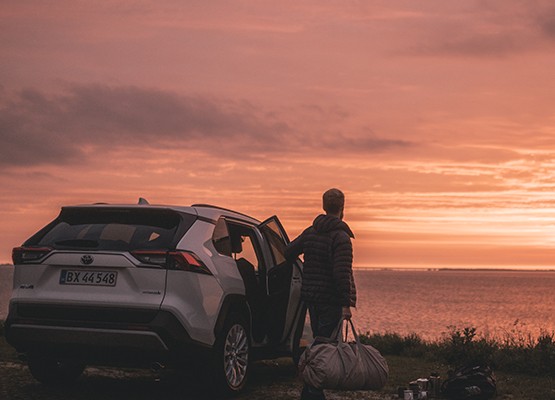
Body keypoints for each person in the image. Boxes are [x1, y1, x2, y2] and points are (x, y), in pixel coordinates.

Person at [285, 188, 356, 400]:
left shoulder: (311, 232)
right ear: (342, 208)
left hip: (312, 298)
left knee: (320, 341)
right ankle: (312, 390)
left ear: (324, 206)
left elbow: (289, 252)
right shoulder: (341, 237)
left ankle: (310, 391)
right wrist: (346, 304)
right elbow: (341, 274)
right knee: (324, 346)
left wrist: (305, 268)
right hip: (331, 300)